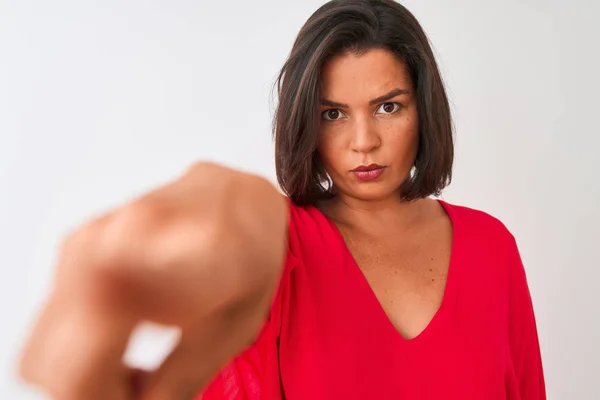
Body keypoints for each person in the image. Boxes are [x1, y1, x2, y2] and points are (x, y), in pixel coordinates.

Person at [18, 0, 546, 399]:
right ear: (303, 123)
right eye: (332, 113)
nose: (363, 141)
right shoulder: (283, 246)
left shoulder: (491, 246)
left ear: (424, 108)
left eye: (387, 107)